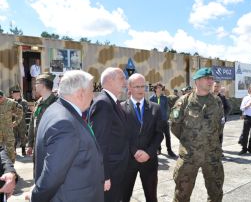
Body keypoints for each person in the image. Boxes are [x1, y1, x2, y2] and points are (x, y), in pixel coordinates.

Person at [26, 70, 104, 202]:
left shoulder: (57, 109)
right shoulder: (65, 123)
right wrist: (35, 196)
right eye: (92, 91)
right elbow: (53, 175)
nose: (93, 96)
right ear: (80, 93)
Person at [170, 67, 224, 202]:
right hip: (189, 157)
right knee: (181, 195)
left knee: (216, 194)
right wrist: (189, 142)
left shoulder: (217, 101)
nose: (211, 81)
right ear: (197, 81)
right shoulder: (184, 101)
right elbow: (175, 126)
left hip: (212, 156)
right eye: (207, 78)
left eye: (211, 78)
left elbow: (220, 126)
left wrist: (210, 141)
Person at [89, 67, 129, 202]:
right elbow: (99, 143)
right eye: (122, 78)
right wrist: (104, 176)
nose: (125, 81)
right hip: (110, 171)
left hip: (117, 169)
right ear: (110, 80)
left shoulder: (112, 102)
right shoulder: (103, 103)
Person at [121, 73, 163, 202]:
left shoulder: (155, 108)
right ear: (130, 88)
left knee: (151, 197)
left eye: (143, 86)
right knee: (124, 197)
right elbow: (121, 135)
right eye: (137, 86)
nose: (140, 90)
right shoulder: (120, 108)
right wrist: (134, 151)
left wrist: (149, 153)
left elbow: (159, 134)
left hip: (149, 161)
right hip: (128, 161)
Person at [27, 73, 58, 158]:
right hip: (38, 146)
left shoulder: (56, 103)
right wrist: (30, 144)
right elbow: (32, 123)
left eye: (36, 83)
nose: (34, 86)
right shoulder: (38, 102)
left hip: (51, 148)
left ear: (43, 85)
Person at [150, 83, 176, 157]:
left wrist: (167, 117)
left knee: (167, 135)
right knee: (158, 135)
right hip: (156, 121)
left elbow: (167, 108)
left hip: (164, 120)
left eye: (161, 88)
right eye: (158, 88)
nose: (160, 89)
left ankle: (169, 150)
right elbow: (150, 109)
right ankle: (158, 149)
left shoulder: (164, 98)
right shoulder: (152, 98)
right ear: (155, 89)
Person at [0, 90, 23, 163]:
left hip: (8, 130)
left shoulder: (11, 103)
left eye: (0, 98)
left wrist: (16, 122)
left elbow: (20, 112)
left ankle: (11, 165)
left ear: (3, 96)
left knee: (10, 149)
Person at [213, 81, 232, 153]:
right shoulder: (208, 96)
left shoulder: (222, 97)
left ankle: (219, 150)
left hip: (220, 122)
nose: (216, 88)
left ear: (220, 88)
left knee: (219, 136)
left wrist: (223, 116)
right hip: (209, 121)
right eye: (215, 86)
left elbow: (229, 108)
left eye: (218, 86)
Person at [9, 85, 28, 156]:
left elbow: (25, 111)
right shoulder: (11, 102)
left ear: (19, 94)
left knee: (23, 136)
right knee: (13, 137)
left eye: (17, 94)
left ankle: (23, 150)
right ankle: (14, 150)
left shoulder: (24, 102)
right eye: (14, 94)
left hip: (21, 122)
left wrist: (14, 113)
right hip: (13, 122)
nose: (15, 95)